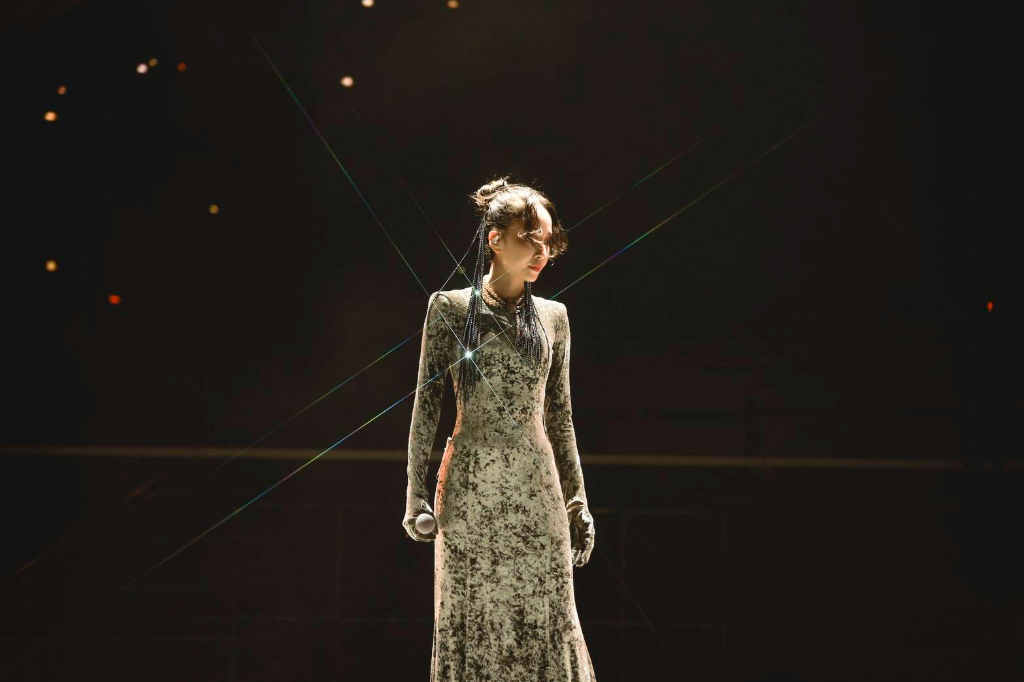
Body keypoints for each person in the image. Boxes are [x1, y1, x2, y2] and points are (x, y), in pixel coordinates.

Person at [403, 177, 598, 681]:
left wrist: (577, 499)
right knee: (473, 618)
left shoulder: (554, 317)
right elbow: (427, 407)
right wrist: (414, 495)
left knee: (549, 618)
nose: (542, 251)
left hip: (538, 487)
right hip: (470, 489)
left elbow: (560, 416)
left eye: (548, 241)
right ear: (495, 238)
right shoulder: (449, 308)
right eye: (531, 238)